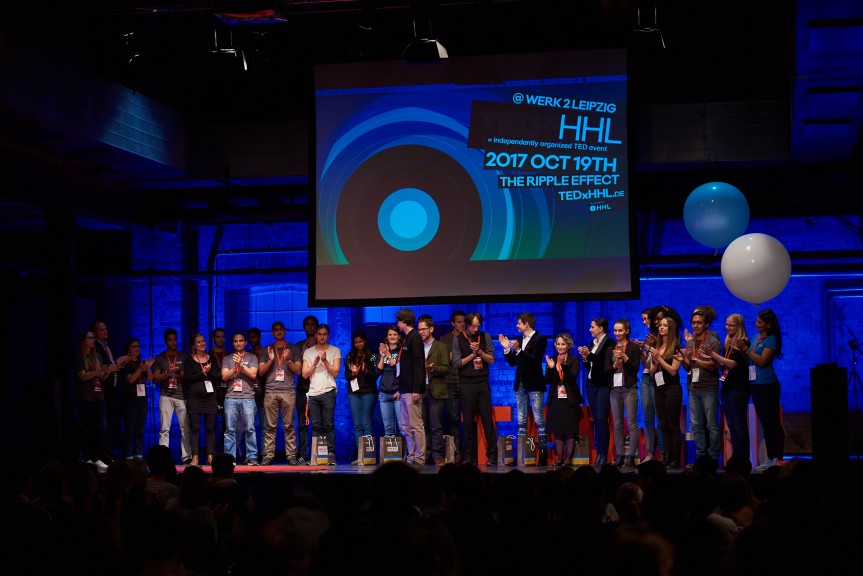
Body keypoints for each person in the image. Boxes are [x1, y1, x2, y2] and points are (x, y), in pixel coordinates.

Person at [735, 308, 784, 471]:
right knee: (764, 422)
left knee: (772, 422)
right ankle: (770, 458)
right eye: (756, 321)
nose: (756, 324)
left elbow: (762, 361)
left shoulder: (772, 339)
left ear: (768, 325)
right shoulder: (756, 337)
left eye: (759, 322)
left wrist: (746, 350)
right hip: (755, 384)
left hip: (768, 384)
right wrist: (741, 351)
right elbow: (750, 359)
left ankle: (778, 457)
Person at [500, 311, 549, 466]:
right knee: (521, 420)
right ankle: (521, 453)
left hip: (534, 384)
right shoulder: (519, 339)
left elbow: (534, 361)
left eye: (519, 323)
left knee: (539, 419)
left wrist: (519, 351)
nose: (517, 326)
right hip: (520, 385)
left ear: (526, 324)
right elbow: (514, 362)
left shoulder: (540, 339)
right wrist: (507, 349)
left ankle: (542, 453)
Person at [703, 313, 751, 462]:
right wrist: (710, 357)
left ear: (739, 326)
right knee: (731, 424)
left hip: (739, 387)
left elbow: (732, 363)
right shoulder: (728, 342)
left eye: (731, 325)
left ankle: (743, 457)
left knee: (739, 424)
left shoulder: (743, 342)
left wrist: (714, 355)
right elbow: (724, 365)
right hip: (727, 386)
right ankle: (736, 456)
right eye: (726, 324)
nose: (727, 327)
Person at [454, 311, 498, 466]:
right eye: (473, 326)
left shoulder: (484, 337)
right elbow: (457, 363)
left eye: (478, 326)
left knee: (487, 420)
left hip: (482, 384)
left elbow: (491, 359)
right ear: (466, 324)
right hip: (466, 384)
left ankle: (492, 455)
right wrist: (472, 355)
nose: (475, 329)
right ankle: (468, 456)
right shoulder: (458, 339)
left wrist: (479, 352)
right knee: (467, 423)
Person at [680, 308, 722, 467]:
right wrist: (684, 359)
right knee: (697, 425)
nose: (695, 326)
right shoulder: (690, 342)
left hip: (708, 388)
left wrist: (695, 359)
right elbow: (688, 367)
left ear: (706, 324)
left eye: (699, 323)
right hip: (693, 388)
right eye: (693, 323)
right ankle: (701, 457)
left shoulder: (712, 341)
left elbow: (714, 366)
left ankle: (712, 459)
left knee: (711, 425)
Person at [258, 320, 303, 466]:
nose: (278, 331)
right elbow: (261, 372)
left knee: (289, 425)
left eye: (281, 329)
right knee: (270, 426)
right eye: (275, 329)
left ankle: (291, 455)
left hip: (288, 391)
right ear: (272, 333)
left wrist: (288, 360)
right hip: (270, 391)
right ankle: (268, 455)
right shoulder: (266, 350)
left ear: (285, 331)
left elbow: (299, 371)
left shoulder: (293, 348)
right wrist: (271, 361)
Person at [151, 328, 192, 465]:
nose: (173, 342)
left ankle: (187, 456)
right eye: (170, 339)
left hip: (182, 396)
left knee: (185, 428)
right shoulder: (160, 357)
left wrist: (180, 373)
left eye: (175, 339)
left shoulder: (184, 357)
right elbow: (155, 378)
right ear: (165, 341)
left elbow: (190, 376)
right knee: (164, 428)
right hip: (166, 396)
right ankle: (163, 456)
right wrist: (167, 373)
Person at [302, 323, 341, 466]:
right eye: (319, 334)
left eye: (325, 334)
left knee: (328, 425)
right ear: (316, 335)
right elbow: (305, 374)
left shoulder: (335, 351)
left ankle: (331, 455)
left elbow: (336, 372)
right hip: (313, 393)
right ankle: (317, 455)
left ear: (328, 335)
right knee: (316, 425)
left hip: (328, 391)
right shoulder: (309, 352)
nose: (322, 337)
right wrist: (315, 363)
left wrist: (324, 360)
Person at [578, 317, 615, 466]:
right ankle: (599, 453)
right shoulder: (592, 343)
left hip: (603, 385)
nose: (590, 329)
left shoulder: (609, 343)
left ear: (600, 328)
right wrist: (586, 359)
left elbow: (603, 364)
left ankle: (603, 453)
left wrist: (590, 355)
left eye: (592, 327)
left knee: (601, 418)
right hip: (591, 383)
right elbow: (592, 366)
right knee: (596, 419)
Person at [605, 318, 641, 468]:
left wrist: (625, 358)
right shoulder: (610, 349)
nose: (617, 333)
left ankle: (631, 456)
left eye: (620, 330)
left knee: (631, 423)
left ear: (626, 330)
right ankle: (620, 455)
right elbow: (606, 371)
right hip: (614, 389)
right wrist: (614, 364)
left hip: (629, 389)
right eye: (615, 330)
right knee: (618, 424)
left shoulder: (633, 348)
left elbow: (635, 369)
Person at [90, 320, 129, 460]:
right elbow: (105, 367)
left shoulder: (107, 346)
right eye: (101, 330)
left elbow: (112, 366)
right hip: (103, 390)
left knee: (112, 423)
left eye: (106, 329)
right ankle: (101, 454)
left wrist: (118, 365)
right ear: (94, 333)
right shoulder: (96, 348)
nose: (105, 332)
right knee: (103, 425)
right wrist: (116, 362)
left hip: (113, 390)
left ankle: (107, 452)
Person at [221, 331, 260, 466]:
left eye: (241, 341)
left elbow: (254, 374)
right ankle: (230, 458)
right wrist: (235, 366)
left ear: (245, 342)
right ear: (233, 343)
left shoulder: (252, 357)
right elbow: (224, 377)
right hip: (231, 398)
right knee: (229, 430)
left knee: (250, 428)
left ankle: (252, 457)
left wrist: (242, 365)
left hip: (248, 397)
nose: (238, 343)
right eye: (236, 341)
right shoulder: (227, 358)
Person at [649, 316, 683, 469]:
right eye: (660, 325)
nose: (661, 328)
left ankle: (676, 458)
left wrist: (660, 359)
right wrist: (655, 362)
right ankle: (667, 457)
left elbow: (674, 371)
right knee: (662, 424)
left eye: (664, 326)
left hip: (672, 389)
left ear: (670, 328)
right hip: (658, 388)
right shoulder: (657, 346)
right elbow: (651, 372)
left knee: (673, 425)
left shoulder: (675, 346)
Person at [74, 331, 111, 471]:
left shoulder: (98, 356)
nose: (93, 340)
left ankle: (98, 456)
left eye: (93, 338)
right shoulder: (78, 357)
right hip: (86, 398)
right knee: (88, 428)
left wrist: (109, 370)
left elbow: (101, 377)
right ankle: (87, 457)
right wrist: (98, 371)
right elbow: (82, 376)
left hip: (99, 397)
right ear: (83, 341)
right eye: (90, 338)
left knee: (102, 427)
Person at [544, 333, 582, 466]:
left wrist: (563, 365)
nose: (560, 347)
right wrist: (550, 368)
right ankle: (559, 458)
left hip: (569, 398)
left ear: (568, 345)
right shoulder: (553, 360)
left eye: (563, 344)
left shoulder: (574, 360)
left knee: (570, 430)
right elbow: (547, 380)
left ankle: (568, 458)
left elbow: (571, 378)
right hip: (556, 398)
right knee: (558, 429)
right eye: (558, 344)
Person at [396, 308, 427, 467]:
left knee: (416, 425)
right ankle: (412, 456)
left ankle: (420, 457)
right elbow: (404, 367)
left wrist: (417, 389)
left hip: (412, 390)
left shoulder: (414, 337)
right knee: (406, 426)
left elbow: (418, 365)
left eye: (398, 321)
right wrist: (399, 389)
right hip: (404, 389)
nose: (397, 324)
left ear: (403, 321)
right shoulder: (406, 338)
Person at [419, 316, 450, 466]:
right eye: (419, 329)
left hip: (435, 389)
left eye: (423, 329)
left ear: (431, 329)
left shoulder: (441, 347)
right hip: (420, 390)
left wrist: (433, 368)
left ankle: (437, 454)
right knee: (422, 425)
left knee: (435, 424)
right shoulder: (416, 346)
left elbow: (446, 368)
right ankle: (424, 454)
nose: (421, 332)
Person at [344, 330, 378, 465]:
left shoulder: (372, 356)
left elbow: (375, 375)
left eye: (361, 342)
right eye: (356, 342)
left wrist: (366, 371)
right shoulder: (350, 356)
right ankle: (360, 456)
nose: (358, 344)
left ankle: (368, 455)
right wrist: (353, 373)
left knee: (366, 424)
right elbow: (347, 377)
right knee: (357, 425)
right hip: (354, 393)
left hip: (368, 392)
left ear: (365, 341)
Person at [185, 333, 218, 466]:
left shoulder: (212, 358)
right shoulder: (189, 360)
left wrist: (209, 372)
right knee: (195, 428)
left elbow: (216, 375)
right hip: (195, 398)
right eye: (199, 342)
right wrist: (203, 372)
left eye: (203, 341)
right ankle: (195, 457)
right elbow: (189, 378)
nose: (202, 344)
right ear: (194, 345)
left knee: (210, 427)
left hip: (210, 397)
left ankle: (210, 456)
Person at [438, 310, 466, 463]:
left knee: (467, 419)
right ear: (453, 323)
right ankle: (456, 452)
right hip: (450, 382)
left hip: (466, 382)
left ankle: (469, 453)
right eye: (459, 321)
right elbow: (442, 361)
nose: (462, 324)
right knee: (453, 418)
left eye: (464, 322)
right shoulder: (445, 339)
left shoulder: (468, 338)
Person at [119, 338, 152, 460]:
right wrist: (140, 369)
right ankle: (128, 455)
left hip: (142, 399)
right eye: (134, 346)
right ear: (128, 349)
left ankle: (138, 455)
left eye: (138, 346)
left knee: (140, 429)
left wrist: (147, 368)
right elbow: (130, 380)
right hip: (130, 399)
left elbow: (150, 378)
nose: (137, 348)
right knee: (130, 429)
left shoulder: (142, 363)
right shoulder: (126, 364)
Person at [638, 307, 661, 462]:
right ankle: (650, 453)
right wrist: (641, 349)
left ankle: (664, 453)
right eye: (643, 320)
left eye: (647, 318)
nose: (645, 322)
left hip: (658, 378)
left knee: (660, 416)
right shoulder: (648, 337)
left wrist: (649, 347)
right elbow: (645, 364)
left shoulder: (662, 335)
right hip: (646, 378)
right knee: (647, 416)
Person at [295, 315, 319, 464]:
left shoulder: (322, 345)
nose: (310, 327)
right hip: (303, 388)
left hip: (318, 388)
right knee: (302, 423)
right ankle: (303, 453)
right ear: (304, 327)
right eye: (307, 324)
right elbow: (298, 370)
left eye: (312, 324)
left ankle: (318, 454)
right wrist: (304, 351)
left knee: (318, 423)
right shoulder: (298, 345)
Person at [376, 325, 403, 436]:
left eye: (395, 334)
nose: (392, 337)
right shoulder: (383, 350)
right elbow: (378, 371)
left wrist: (388, 354)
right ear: (387, 337)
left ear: (399, 336)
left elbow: (398, 369)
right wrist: (382, 356)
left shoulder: (402, 350)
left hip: (398, 392)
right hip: (384, 393)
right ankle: (390, 454)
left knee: (403, 427)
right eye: (390, 334)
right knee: (388, 429)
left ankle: (407, 453)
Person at [247, 327, 267, 462]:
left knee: (265, 426)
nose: (252, 339)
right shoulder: (247, 355)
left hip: (265, 392)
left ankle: (265, 454)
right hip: (249, 393)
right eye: (250, 337)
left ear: (259, 338)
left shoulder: (265, 353)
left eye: (255, 337)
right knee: (250, 426)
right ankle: (251, 455)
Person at [210, 328, 228, 452]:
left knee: (227, 426)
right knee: (211, 424)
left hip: (228, 392)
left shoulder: (230, 355)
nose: (220, 339)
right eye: (218, 337)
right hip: (213, 393)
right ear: (213, 338)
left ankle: (226, 451)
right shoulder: (208, 356)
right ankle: (212, 451)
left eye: (222, 337)